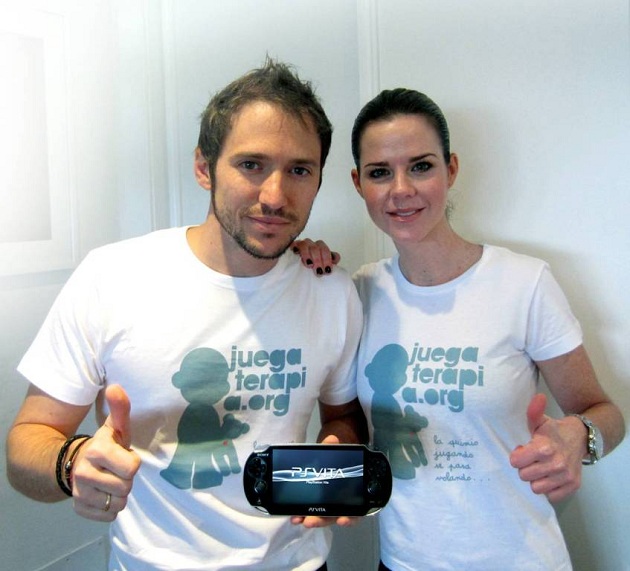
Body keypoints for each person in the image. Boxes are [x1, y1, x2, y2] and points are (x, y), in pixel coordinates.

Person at [5, 58, 367, 571]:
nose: (275, 196)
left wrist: (336, 460)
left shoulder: (331, 291)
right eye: (251, 164)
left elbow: (344, 418)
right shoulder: (112, 277)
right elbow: (25, 445)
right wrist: (71, 463)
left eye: (299, 171)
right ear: (204, 167)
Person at [294, 88, 626, 570]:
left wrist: (580, 436)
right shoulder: (358, 292)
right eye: (380, 172)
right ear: (358, 183)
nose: (401, 189)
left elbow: (606, 413)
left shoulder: (524, 283)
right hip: (401, 563)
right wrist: (295, 259)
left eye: (421, 166)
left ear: (450, 170)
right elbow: (353, 424)